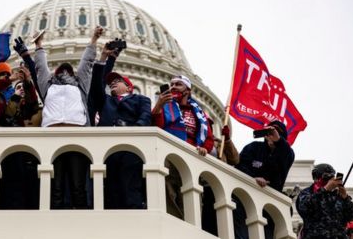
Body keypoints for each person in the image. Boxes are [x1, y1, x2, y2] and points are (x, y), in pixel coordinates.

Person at [33, 27, 99, 208]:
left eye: (67, 70)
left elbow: (86, 64)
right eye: (60, 70)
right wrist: (38, 45)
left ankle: (80, 223)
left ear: (73, 73)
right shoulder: (47, 86)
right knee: (56, 184)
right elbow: (40, 68)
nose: (63, 73)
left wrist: (93, 40)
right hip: (51, 138)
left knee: (78, 184)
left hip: (77, 137)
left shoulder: (80, 86)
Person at [91, 41, 151, 209]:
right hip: (108, 147)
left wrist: (135, 130)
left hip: (131, 146)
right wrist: (105, 58)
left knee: (130, 184)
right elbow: (97, 84)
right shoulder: (105, 101)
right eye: (110, 82)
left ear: (129, 87)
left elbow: (146, 116)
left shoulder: (140, 99)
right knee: (111, 187)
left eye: (117, 81)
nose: (112, 83)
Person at [0, 61, 40, 208]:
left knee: (15, 187)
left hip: (12, 149)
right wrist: (9, 79)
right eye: (1, 76)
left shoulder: (13, 100)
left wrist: (28, 82)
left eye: (7, 75)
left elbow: (32, 108)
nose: (5, 78)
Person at [152, 75, 216, 220]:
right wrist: (159, 105)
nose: (173, 87)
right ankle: (174, 221)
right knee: (167, 188)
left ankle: (191, 224)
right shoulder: (166, 106)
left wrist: (204, 147)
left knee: (192, 193)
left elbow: (209, 137)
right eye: (172, 84)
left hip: (192, 156)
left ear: (187, 90)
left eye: (178, 84)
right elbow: (157, 126)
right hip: (170, 151)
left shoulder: (199, 113)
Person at [233, 120, 295, 239]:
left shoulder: (286, 153)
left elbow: (286, 156)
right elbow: (240, 165)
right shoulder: (254, 147)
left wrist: (278, 141)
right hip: (245, 199)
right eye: (269, 132)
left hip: (268, 205)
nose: (271, 136)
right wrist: (253, 178)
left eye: (276, 133)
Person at [296, 163, 353, 239]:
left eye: (331, 177)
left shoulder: (337, 196)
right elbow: (304, 207)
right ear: (316, 177)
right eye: (326, 177)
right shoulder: (308, 193)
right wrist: (325, 189)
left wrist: (345, 197)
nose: (329, 180)